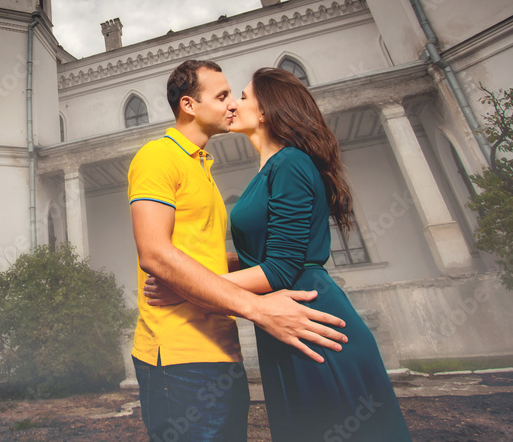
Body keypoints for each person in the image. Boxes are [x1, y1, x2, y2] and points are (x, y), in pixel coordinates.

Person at [147, 66, 412, 441]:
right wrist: (189, 271)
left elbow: (281, 267)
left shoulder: (290, 162)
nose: (233, 105)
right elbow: (261, 255)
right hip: (281, 315)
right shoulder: (269, 170)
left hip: (309, 315)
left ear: (266, 111)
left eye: (241, 96)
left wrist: (190, 289)